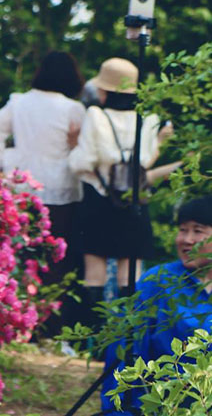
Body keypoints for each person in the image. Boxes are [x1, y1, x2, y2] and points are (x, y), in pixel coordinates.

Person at [0, 51, 87, 336]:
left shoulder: (20, 102)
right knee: (55, 260)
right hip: (60, 189)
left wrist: (6, 163)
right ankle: (49, 327)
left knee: (18, 255)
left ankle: (13, 324)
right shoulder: (73, 109)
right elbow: (81, 148)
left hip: (22, 187)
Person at [68, 57, 170, 329]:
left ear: (103, 90)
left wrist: (74, 149)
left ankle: (95, 339)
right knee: (130, 274)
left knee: (94, 274)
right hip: (134, 201)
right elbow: (146, 161)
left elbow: (83, 162)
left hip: (99, 201)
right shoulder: (149, 120)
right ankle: (128, 337)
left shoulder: (96, 116)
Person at [101, 195, 212, 415]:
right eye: (182, 230)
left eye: (197, 231)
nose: (186, 239)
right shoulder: (158, 282)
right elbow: (125, 353)